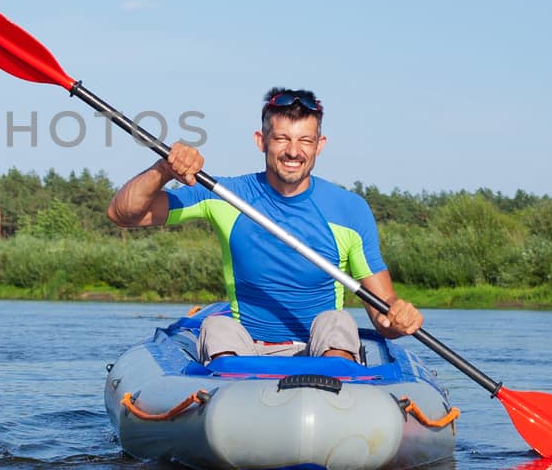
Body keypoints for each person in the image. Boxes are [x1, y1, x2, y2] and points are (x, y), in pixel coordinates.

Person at [106, 88, 422, 365]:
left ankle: (334, 391)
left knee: (337, 321)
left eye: (305, 141)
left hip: (321, 350)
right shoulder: (224, 194)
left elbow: (383, 315)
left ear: (319, 145)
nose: (293, 151)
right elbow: (123, 214)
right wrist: (164, 170)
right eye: (282, 138)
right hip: (246, 352)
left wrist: (399, 318)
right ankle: (231, 403)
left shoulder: (349, 209)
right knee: (217, 327)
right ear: (262, 141)